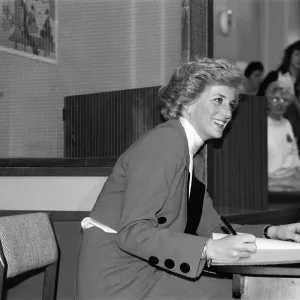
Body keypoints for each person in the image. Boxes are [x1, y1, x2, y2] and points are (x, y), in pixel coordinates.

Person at [75, 57, 300, 300]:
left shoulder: (194, 157)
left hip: (149, 272)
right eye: (218, 100)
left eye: (231, 104)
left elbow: (213, 229)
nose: (227, 113)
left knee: (258, 289)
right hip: (120, 282)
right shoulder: (165, 143)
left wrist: (272, 232)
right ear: (189, 101)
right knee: (259, 291)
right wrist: (208, 248)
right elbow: (133, 233)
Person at [258, 40, 300, 151]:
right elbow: (259, 100)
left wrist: (294, 100)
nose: (299, 58)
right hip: (273, 128)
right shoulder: (275, 76)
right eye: (297, 54)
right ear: (289, 55)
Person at [267, 80, 300, 191]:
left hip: (292, 176)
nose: (280, 103)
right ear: (268, 102)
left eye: (284, 100)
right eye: (275, 99)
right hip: (273, 181)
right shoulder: (261, 125)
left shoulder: (287, 123)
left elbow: (294, 152)